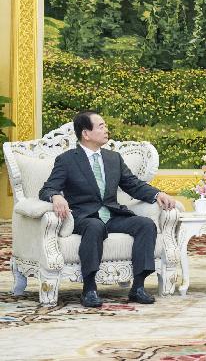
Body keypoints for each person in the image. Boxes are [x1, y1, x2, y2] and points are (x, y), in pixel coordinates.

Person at [38, 110, 178, 308]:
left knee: (146, 225)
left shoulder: (114, 158)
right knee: (94, 226)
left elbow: (134, 185)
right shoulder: (67, 160)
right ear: (86, 133)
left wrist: (157, 194)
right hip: (84, 217)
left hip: (112, 215)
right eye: (101, 126)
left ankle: (138, 287)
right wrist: (56, 196)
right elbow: (47, 188)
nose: (106, 130)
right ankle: (89, 289)